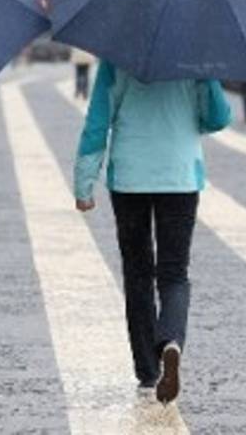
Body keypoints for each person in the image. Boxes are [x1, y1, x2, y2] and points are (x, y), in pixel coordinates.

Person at [73, 60, 233, 405]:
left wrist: (84, 184)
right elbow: (218, 118)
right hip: (180, 175)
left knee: (137, 274)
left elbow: (97, 123)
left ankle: (147, 371)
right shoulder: (194, 57)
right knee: (174, 273)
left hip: (130, 178)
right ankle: (171, 340)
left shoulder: (117, 58)